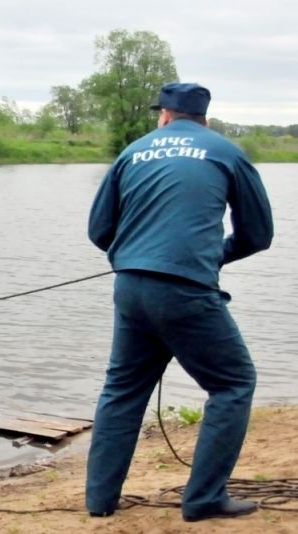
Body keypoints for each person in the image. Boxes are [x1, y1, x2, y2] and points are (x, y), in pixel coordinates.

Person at [85, 83, 273, 522]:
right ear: (203, 118)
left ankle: (99, 502)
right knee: (233, 383)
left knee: (123, 390)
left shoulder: (133, 152)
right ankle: (204, 498)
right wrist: (209, 255)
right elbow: (258, 235)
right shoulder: (226, 152)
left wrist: (137, 257)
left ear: (165, 116)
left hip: (130, 286)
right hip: (187, 289)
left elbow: (98, 229)